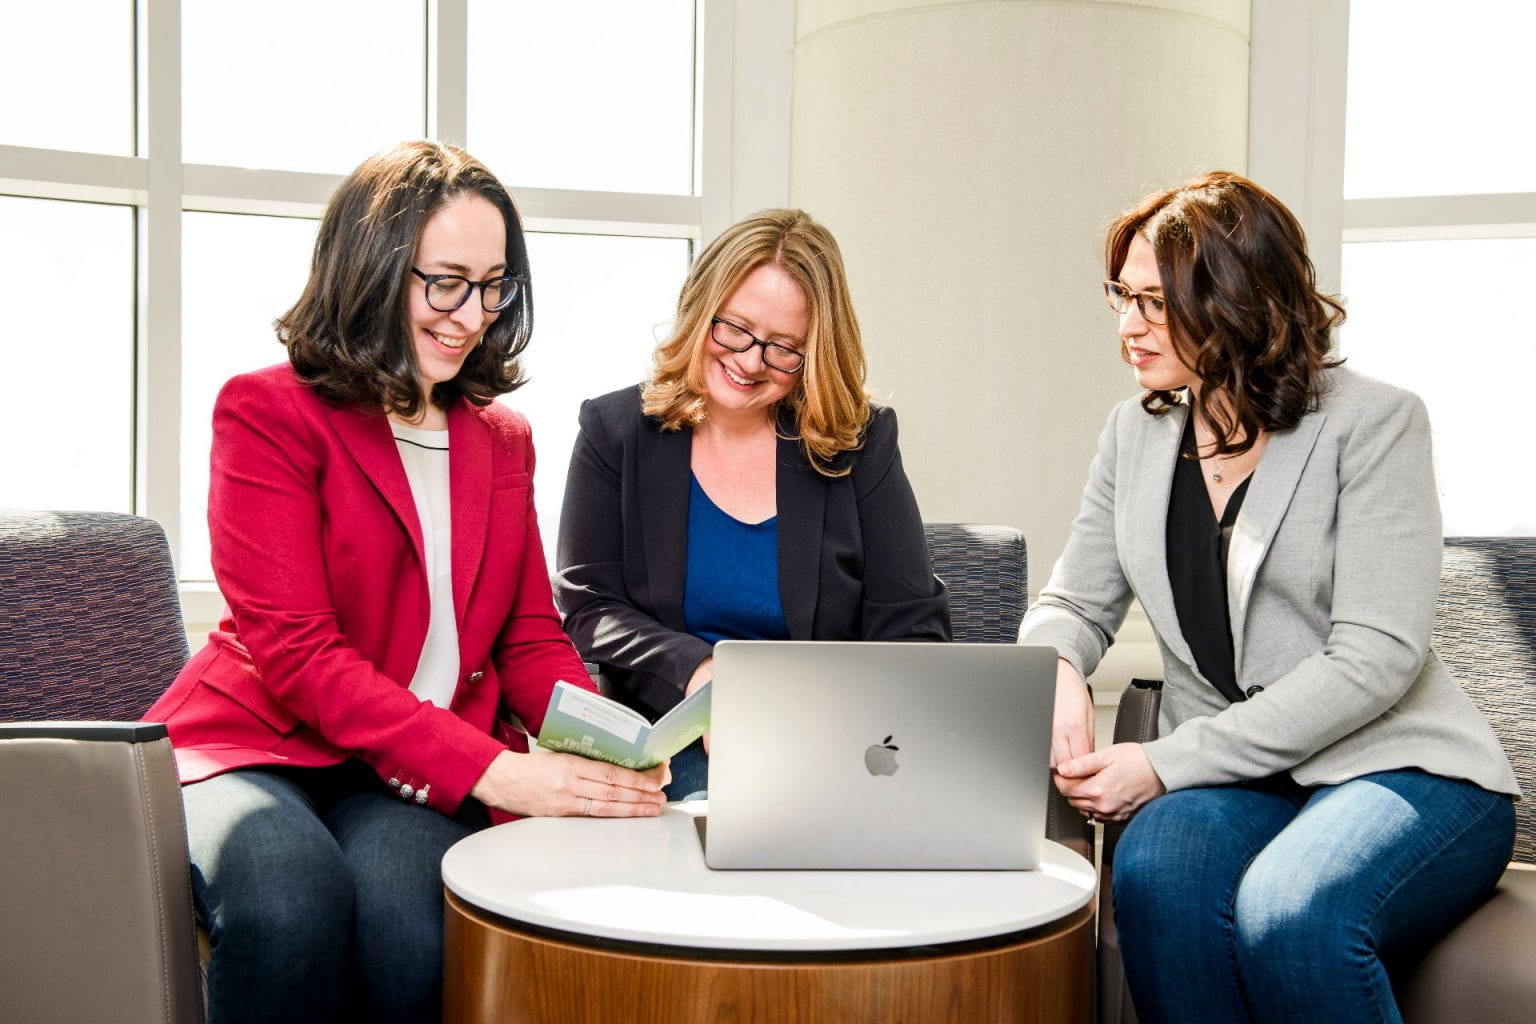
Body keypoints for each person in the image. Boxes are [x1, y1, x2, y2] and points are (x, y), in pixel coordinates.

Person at [145, 141, 667, 1024]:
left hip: (399, 773)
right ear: (375, 267)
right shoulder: (267, 410)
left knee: (413, 932)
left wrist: (615, 747)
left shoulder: (503, 439)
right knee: (289, 902)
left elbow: (531, 638)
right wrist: (498, 771)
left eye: (494, 284)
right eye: (447, 281)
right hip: (253, 745)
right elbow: (300, 655)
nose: (472, 314)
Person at [1020, 171, 1518, 1024]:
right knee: (1155, 872)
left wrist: (1165, 763)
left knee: (1295, 912)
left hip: (1400, 767)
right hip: (1242, 781)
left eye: (1153, 301)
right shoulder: (1132, 433)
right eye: (1121, 295)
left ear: (1236, 302)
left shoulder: (1377, 422)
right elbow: (1074, 598)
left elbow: (1375, 660)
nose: (1127, 324)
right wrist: (1058, 663)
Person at [553, 208, 951, 799]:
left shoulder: (861, 443)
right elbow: (590, 606)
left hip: (833, 741)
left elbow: (913, 626)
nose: (749, 361)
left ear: (814, 353)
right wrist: (701, 670)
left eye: (783, 347)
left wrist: (826, 719)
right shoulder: (615, 431)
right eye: (734, 329)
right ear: (699, 308)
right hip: (680, 745)